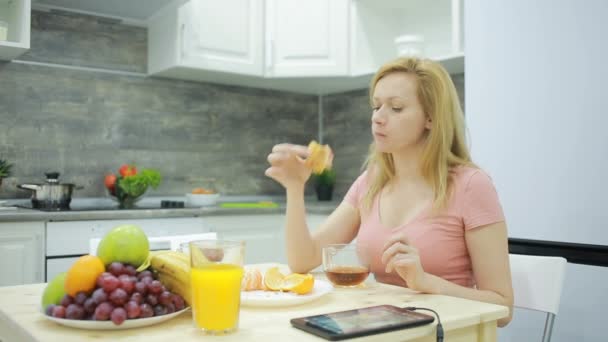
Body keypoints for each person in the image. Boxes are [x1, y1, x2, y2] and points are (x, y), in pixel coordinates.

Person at [265, 57, 513, 327]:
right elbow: (304, 260)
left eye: (395, 108)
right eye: (376, 105)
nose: (378, 118)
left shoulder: (471, 185)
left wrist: (427, 282)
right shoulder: (371, 182)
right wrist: (295, 187)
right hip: (386, 331)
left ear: (430, 118)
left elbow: (503, 307)